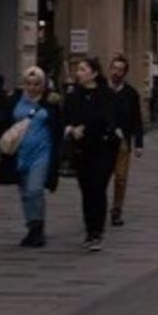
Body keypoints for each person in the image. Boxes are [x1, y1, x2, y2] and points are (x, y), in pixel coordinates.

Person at [0, 67, 62, 248]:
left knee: (34, 189)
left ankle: (38, 227)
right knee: (24, 193)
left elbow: (59, 125)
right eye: (28, 84)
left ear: (43, 85)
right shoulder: (15, 100)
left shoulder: (50, 102)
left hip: (42, 152)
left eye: (37, 84)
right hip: (20, 154)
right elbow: (2, 120)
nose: (32, 88)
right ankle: (32, 226)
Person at [61, 57, 121, 252]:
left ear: (94, 73)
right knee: (87, 191)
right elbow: (65, 119)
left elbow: (110, 119)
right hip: (82, 149)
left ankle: (97, 233)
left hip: (103, 148)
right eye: (78, 69)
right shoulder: (73, 96)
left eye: (83, 69)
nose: (79, 73)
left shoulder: (106, 95)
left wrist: (112, 131)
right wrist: (71, 129)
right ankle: (90, 230)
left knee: (98, 187)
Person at [105, 55, 145, 229]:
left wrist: (139, 143)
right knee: (101, 178)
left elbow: (137, 119)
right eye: (114, 68)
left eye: (120, 69)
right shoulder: (102, 91)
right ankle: (98, 208)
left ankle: (116, 210)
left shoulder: (130, 93)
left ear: (125, 73)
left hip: (122, 141)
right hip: (103, 140)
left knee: (120, 177)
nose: (116, 72)